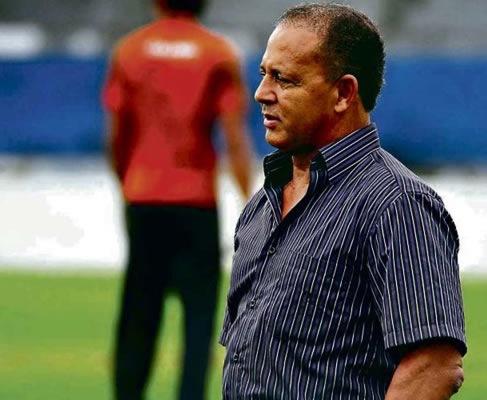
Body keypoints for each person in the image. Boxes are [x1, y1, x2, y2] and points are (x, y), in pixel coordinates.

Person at [220, 3, 466, 399]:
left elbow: (435, 365)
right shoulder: (262, 206)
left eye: (284, 79)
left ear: (343, 93)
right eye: (264, 73)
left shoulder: (396, 204)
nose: (261, 93)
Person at [101, 0, 252, 398]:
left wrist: (128, 183)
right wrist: (250, 202)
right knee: (199, 317)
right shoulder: (217, 53)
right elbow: (234, 136)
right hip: (195, 199)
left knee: (138, 312)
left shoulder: (130, 50)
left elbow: (117, 134)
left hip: (143, 195)